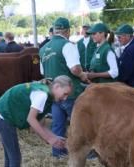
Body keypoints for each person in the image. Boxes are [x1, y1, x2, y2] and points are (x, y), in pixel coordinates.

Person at [0, 75, 73, 167]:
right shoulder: (42, 94)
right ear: (57, 86)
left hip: (2, 114)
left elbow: (39, 124)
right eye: (65, 94)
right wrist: (50, 139)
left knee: (10, 156)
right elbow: (31, 119)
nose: (65, 98)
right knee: (15, 157)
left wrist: (54, 137)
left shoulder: (47, 94)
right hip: (3, 116)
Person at [39, 17, 89, 158]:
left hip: (54, 93)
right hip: (69, 93)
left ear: (54, 30)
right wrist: (83, 75)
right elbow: (74, 69)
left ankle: (58, 152)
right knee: (79, 124)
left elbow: (43, 72)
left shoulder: (43, 48)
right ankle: (84, 153)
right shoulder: (67, 45)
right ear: (67, 31)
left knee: (58, 124)